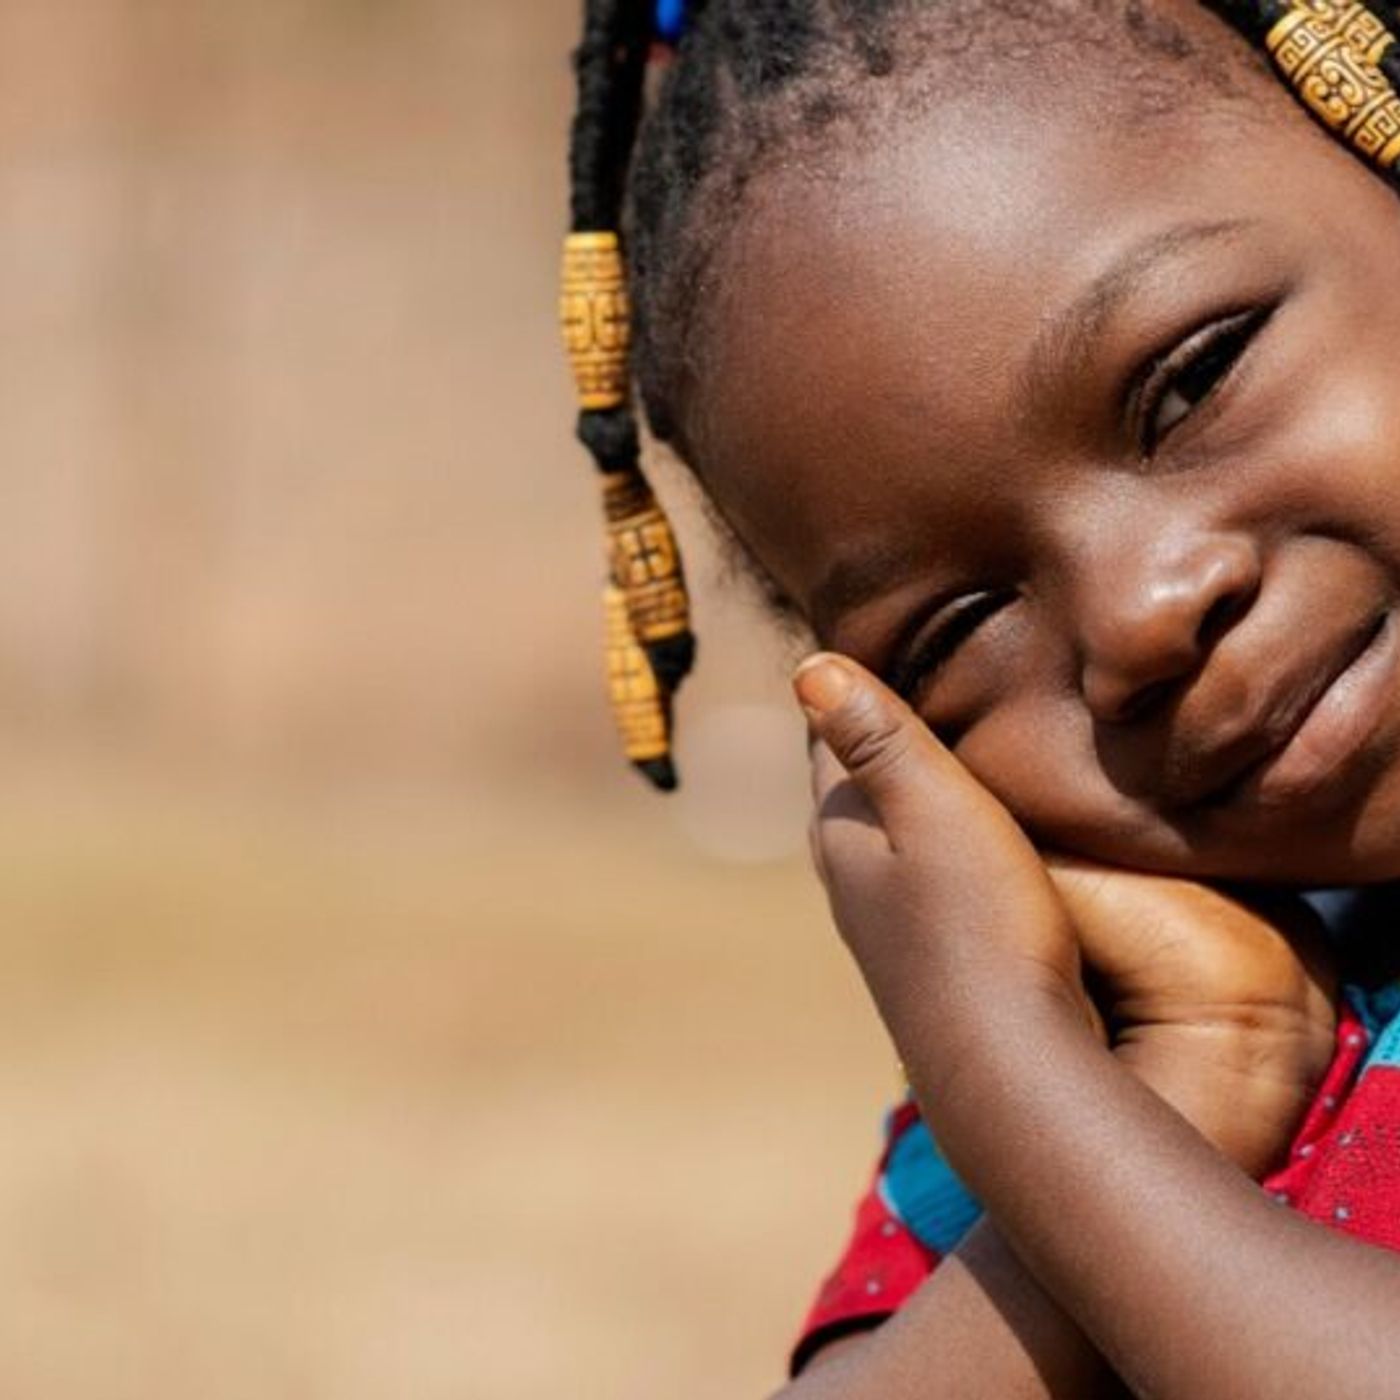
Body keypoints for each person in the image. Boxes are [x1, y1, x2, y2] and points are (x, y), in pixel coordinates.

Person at [558, 0, 1400, 1393]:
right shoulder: (1098, 1049)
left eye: (1190, 381)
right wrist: (1180, 1078)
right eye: (956, 628)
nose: (1139, 617)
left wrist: (1057, 1128)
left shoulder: (1048, 1105)